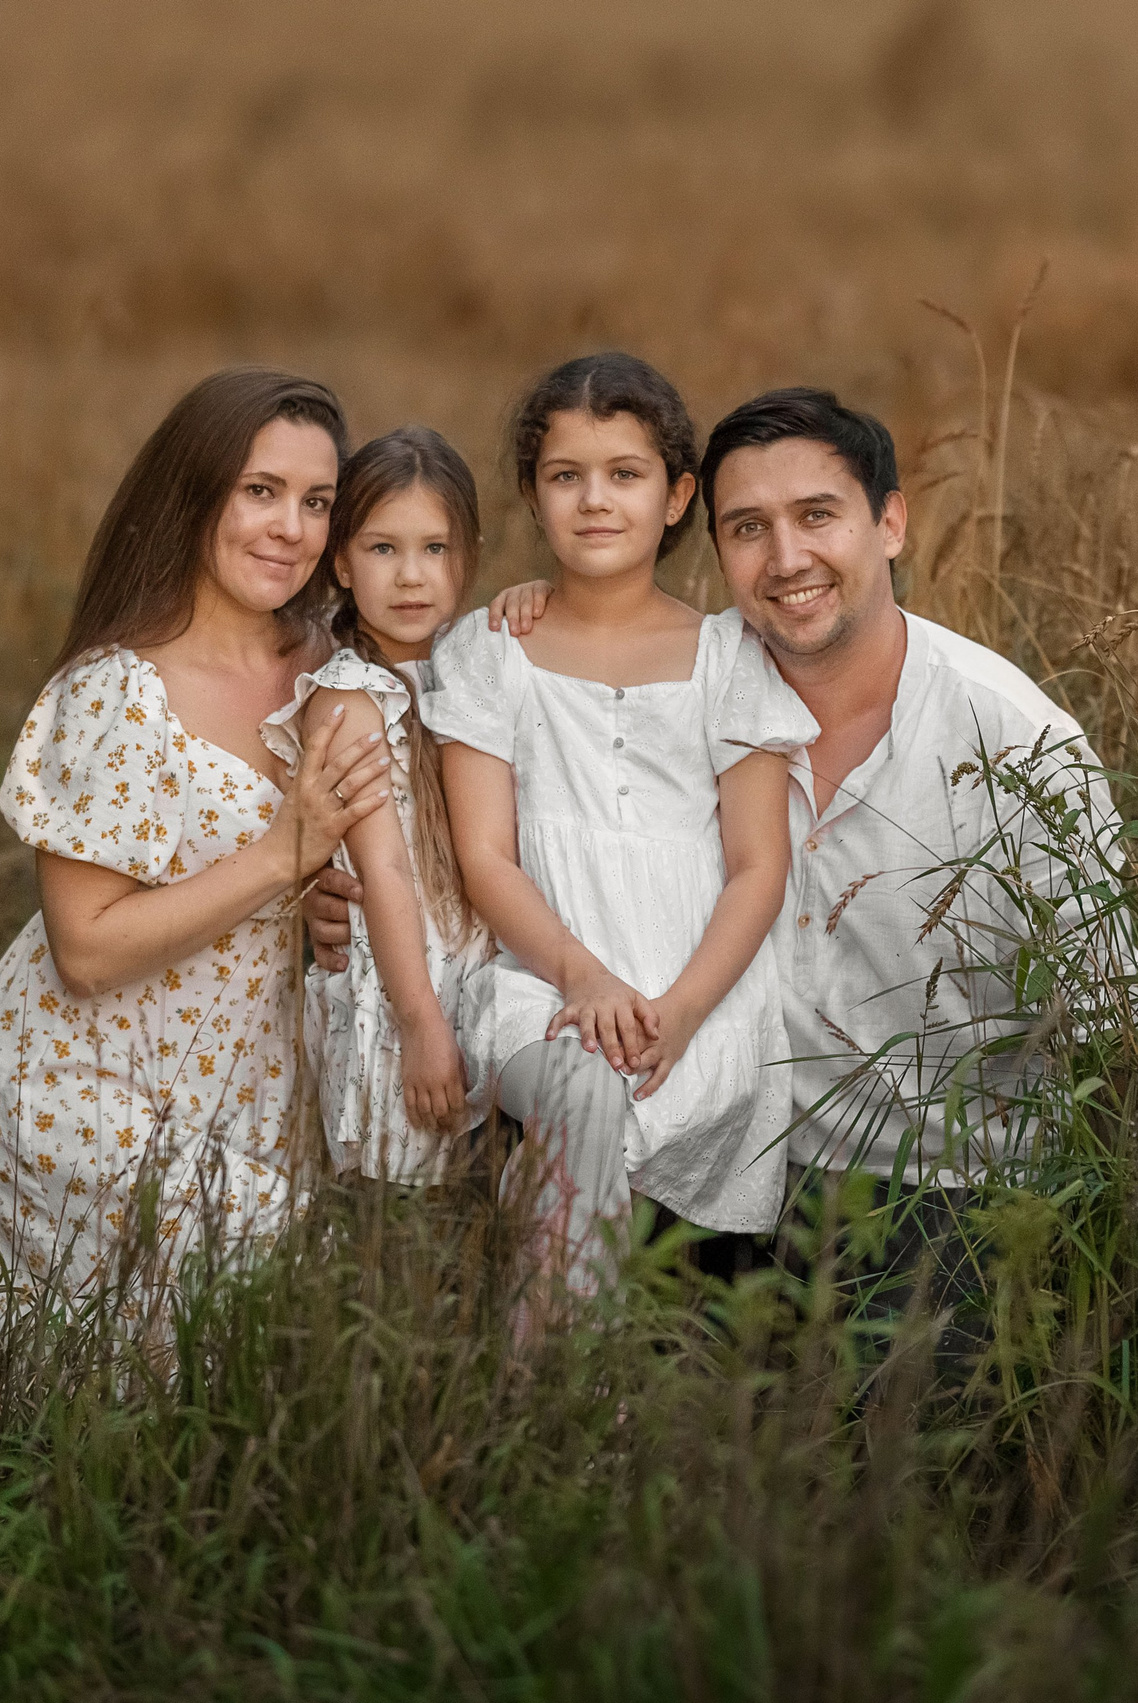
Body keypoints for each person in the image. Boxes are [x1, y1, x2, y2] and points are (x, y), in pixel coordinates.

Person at [480, 387, 1115, 1211]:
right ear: (713, 548)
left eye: (818, 516)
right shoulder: (679, 692)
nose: (785, 559)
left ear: (890, 523)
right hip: (723, 1161)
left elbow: (1110, 1016)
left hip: (952, 1189)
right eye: (748, 527)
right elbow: (525, 835)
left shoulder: (1015, 740)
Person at [415, 353, 816, 1323]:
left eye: (625, 475)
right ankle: (553, 1386)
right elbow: (485, 858)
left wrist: (679, 1008)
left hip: (701, 987)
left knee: (711, 1104)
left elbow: (759, 868)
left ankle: (626, 1347)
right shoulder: (491, 649)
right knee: (584, 1090)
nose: (596, 501)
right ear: (533, 493)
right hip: (541, 978)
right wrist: (583, 977)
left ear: (678, 496)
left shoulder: (730, 657)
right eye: (567, 477)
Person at [0, 369, 390, 1301]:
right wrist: (281, 857)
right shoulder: (119, 690)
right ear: (195, 492)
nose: (289, 528)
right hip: (87, 1083)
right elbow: (85, 950)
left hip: (252, 1084)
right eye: (259, 491)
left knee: (239, 1382)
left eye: (316, 502)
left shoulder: (332, 663)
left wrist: (320, 905)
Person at [261, 428, 492, 1186]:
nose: (411, 576)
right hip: (401, 982)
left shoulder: (470, 662)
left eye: (435, 548)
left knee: (479, 1187)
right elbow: (385, 865)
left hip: (474, 961)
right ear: (341, 561)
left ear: (468, 555)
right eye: (383, 549)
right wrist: (422, 1023)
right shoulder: (348, 698)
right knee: (399, 1196)